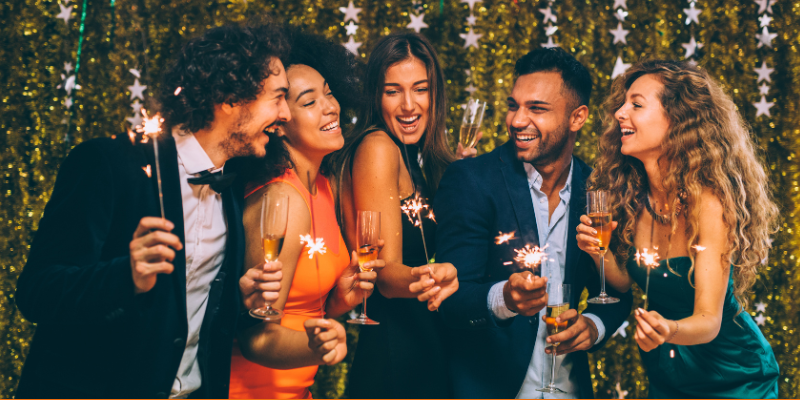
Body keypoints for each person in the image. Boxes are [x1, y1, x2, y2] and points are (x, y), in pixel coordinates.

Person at [13, 23, 289, 398]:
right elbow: (37, 293)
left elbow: (184, 316)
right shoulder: (108, 164)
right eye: (278, 97)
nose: (286, 114)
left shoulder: (233, 185)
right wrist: (124, 276)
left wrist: (241, 302)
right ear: (229, 97)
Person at [434, 48, 632, 398]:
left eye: (536, 109)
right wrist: (505, 298)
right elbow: (450, 297)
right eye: (514, 106)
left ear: (577, 117)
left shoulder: (599, 192)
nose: (517, 120)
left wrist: (595, 327)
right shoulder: (471, 180)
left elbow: (617, 289)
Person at [576, 60, 780, 398]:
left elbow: (708, 320)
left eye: (636, 105)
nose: (620, 113)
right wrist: (599, 253)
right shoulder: (632, 196)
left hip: (733, 374)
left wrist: (667, 329)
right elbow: (626, 281)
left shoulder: (709, 204)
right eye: (623, 103)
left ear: (677, 120)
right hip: (669, 373)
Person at [229, 29, 383, 399]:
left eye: (329, 92)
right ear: (280, 122)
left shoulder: (325, 186)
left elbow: (303, 309)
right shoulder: (283, 198)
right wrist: (320, 347)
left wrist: (338, 302)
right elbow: (257, 337)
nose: (331, 106)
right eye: (309, 102)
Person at [336, 32, 461, 399]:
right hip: (396, 357)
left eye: (420, 89)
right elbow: (382, 272)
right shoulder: (378, 146)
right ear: (376, 96)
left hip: (422, 347)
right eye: (393, 91)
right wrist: (430, 276)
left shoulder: (413, 156)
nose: (409, 105)